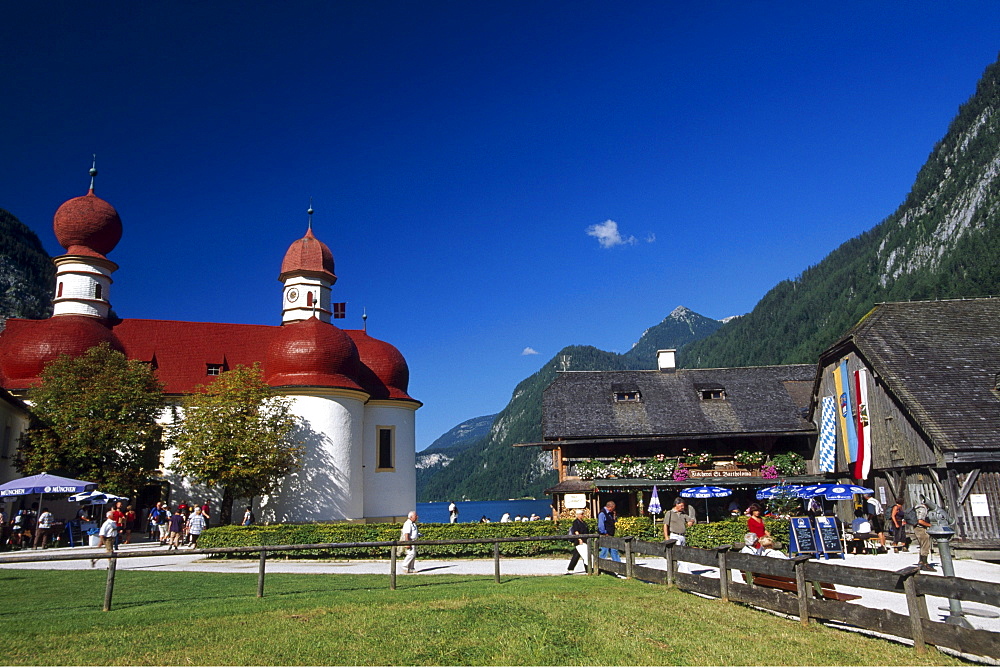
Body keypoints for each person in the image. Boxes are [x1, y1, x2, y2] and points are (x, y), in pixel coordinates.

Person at [911, 497, 934, 571]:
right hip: (920, 528)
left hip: (917, 528)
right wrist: (929, 525)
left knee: (922, 545)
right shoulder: (923, 509)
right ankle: (924, 563)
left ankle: (921, 562)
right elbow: (920, 521)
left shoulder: (917, 507)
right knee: (925, 545)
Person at [565, 509, 589, 574]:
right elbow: (576, 531)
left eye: (582, 514)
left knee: (584, 555)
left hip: (585, 540)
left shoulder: (583, 522)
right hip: (579, 541)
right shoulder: (576, 522)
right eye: (581, 514)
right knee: (577, 555)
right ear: (578, 515)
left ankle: (587, 569)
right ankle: (570, 568)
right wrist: (579, 539)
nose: (582, 515)